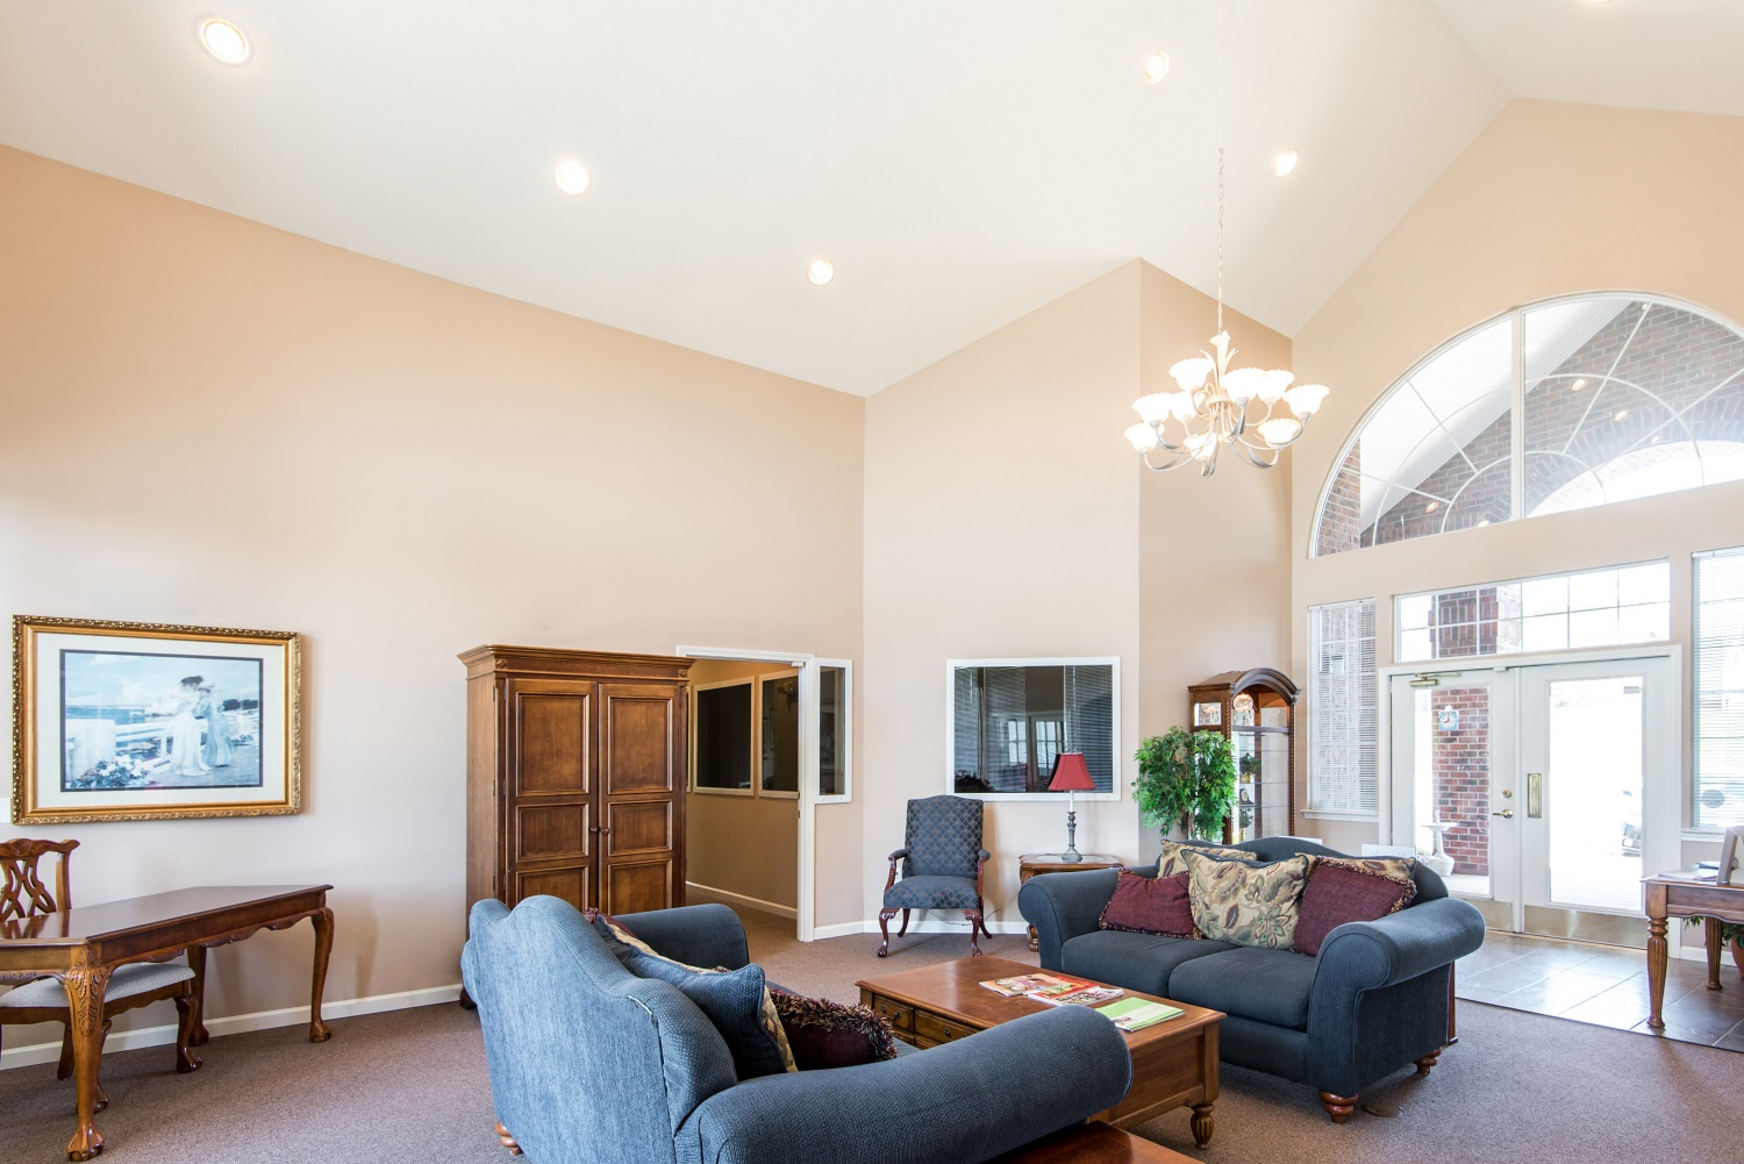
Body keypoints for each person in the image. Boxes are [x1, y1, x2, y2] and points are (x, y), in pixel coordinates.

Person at [165, 676, 212, 778]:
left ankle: (187, 766)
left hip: (186, 719)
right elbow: (174, 703)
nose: (185, 687)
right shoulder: (188, 695)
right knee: (182, 742)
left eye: (187, 685)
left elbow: (177, 706)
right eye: (186, 685)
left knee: (189, 743)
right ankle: (183, 766)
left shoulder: (192, 696)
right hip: (183, 719)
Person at [197, 682, 233, 769]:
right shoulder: (212, 699)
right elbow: (220, 708)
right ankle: (223, 760)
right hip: (221, 719)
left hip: (214, 721)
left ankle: (217, 761)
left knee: (215, 739)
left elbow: (198, 711)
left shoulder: (205, 699)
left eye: (202, 691)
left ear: (206, 692)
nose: (200, 693)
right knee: (220, 739)